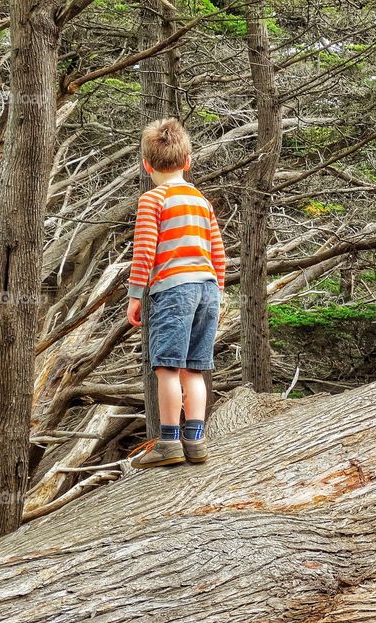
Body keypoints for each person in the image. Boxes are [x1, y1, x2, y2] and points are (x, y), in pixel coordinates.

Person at [125, 117, 226, 468]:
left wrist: (135, 295)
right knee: (194, 370)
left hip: (174, 289)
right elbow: (218, 254)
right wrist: (219, 293)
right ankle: (195, 440)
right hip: (208, 289)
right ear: (188, 162)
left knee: (167, 367)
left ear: (146, 164)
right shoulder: (201, 201)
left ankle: (168, 442)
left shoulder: (153, 200)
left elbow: (144, 252)